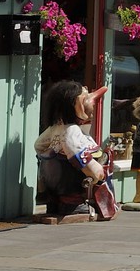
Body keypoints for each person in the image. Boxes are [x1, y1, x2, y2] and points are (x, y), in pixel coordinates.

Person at [35, 80, 109, 218]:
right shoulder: (71, 130)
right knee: (72, 177)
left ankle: (54, 202)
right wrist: (96, 170)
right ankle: (72, 203)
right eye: (87, 99)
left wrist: (50, 154)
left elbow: (38, 145)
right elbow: (77, 155)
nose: (92, 103)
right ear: (78, 105)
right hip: (67, 179)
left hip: (51, 178)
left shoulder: (54, 129)